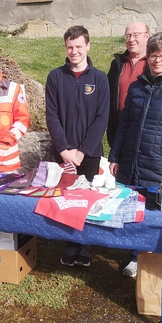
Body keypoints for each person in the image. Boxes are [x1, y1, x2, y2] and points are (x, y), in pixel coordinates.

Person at [108, 32, 162, 277]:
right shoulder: (136, 87)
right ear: (147, 58)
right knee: (133, 208)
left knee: (160, 211)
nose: (158, 61)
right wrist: (114, 157)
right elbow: (124, 124)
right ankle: (135, 256)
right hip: (131, 158)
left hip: (161, 162)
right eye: (154, 56)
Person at [45, 25, 109, 267]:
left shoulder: (99, 79)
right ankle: (70, 243)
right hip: (62, 152)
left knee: (86, 199)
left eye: (79, 46)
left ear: (88, 46)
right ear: (66, 48)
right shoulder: (55, 77)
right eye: (70, 47)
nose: (74, 51)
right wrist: (64, 150)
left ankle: (85, 245)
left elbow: (102, 117)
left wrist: (82, 152)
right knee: (66, 198)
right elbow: (52, 116)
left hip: (89, 153)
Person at [107, 21, 150, 147]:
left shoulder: (156, 64)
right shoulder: (117, 64)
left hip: (147, 134)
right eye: (128, 36)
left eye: (136, 35)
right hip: (120, 132)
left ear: (147, 36)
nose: (131, 39)